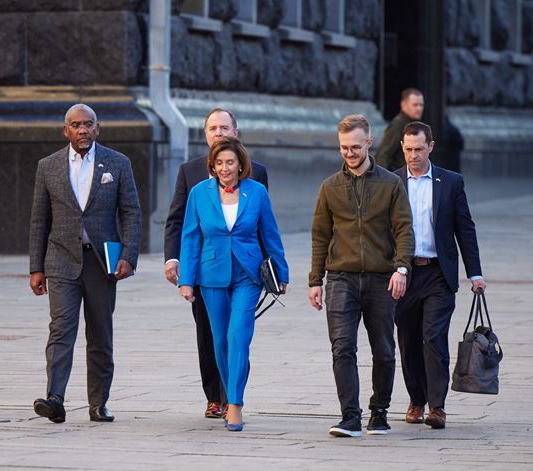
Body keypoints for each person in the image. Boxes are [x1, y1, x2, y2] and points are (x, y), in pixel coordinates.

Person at [28, 103, 142, 424]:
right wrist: (36, 267)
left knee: (101, 334)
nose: (82, 130)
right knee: (61, 330)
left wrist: (128, 256)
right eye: (76, 125)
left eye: (88, 124)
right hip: (61, 261)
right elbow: (39, 220)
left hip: (102, 262)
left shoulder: (117, 163)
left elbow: (131, 212)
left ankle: (98, 403)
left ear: (97, 128)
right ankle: (55, 398)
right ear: (66, 130)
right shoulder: (47, 166)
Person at [308, 114, 414, 437]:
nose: (350, 153)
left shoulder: (391, 184)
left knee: (383, 348)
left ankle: (379, 412)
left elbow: (404, 230)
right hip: (341, 277)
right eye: (344, 148)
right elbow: (320, 235)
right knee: (342, 347)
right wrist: (315, 280)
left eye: (355, 147)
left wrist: (401, 268)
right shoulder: (329, 188)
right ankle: (349, 416)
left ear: (369, 143)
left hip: (382, 279)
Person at [164, 108, 268, 419]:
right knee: (209, 333)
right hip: (206, 269)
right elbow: (179, 222)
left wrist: (267, 269)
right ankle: (214, 395)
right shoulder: (189, 172)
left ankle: (231, 398)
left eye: (224, 127)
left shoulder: (257, 174)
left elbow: (263, 225)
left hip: (244, 270)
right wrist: (175, 260)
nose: (219, 133)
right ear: (206, 134)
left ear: (236, 133)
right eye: (213, 128)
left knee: (237, 333)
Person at [178, 137, 288, 432]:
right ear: (212, 166)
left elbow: (271, 234)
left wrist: (282, 274)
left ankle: (235, 403)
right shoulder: (199, 193)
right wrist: (186, 280)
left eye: (230, 162)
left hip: (247, 274)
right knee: (221, 341)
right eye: (219, 163)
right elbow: (189, 238)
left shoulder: (257, 192)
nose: (225, 168)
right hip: (211, 273)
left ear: (241, 165)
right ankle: (228, 397)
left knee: (239, 336)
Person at [394, 121, 485, 429]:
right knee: (407, 340)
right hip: (403, 274)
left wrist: (475, 274)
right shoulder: (392, 182)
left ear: (430, 147)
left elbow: (465, 228)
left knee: (433, 337)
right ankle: (416, 400)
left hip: (438, 273)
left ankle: (437, 406)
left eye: (419, 149)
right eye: (408, 149)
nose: (413, 155)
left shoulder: (451, 182)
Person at [376, 88, 425, 171]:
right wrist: (385, 181)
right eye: (415, 105)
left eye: (421, 105)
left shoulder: (415, 124)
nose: (419, 108)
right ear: (403, 105)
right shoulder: (397, 126)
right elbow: (382, 155)